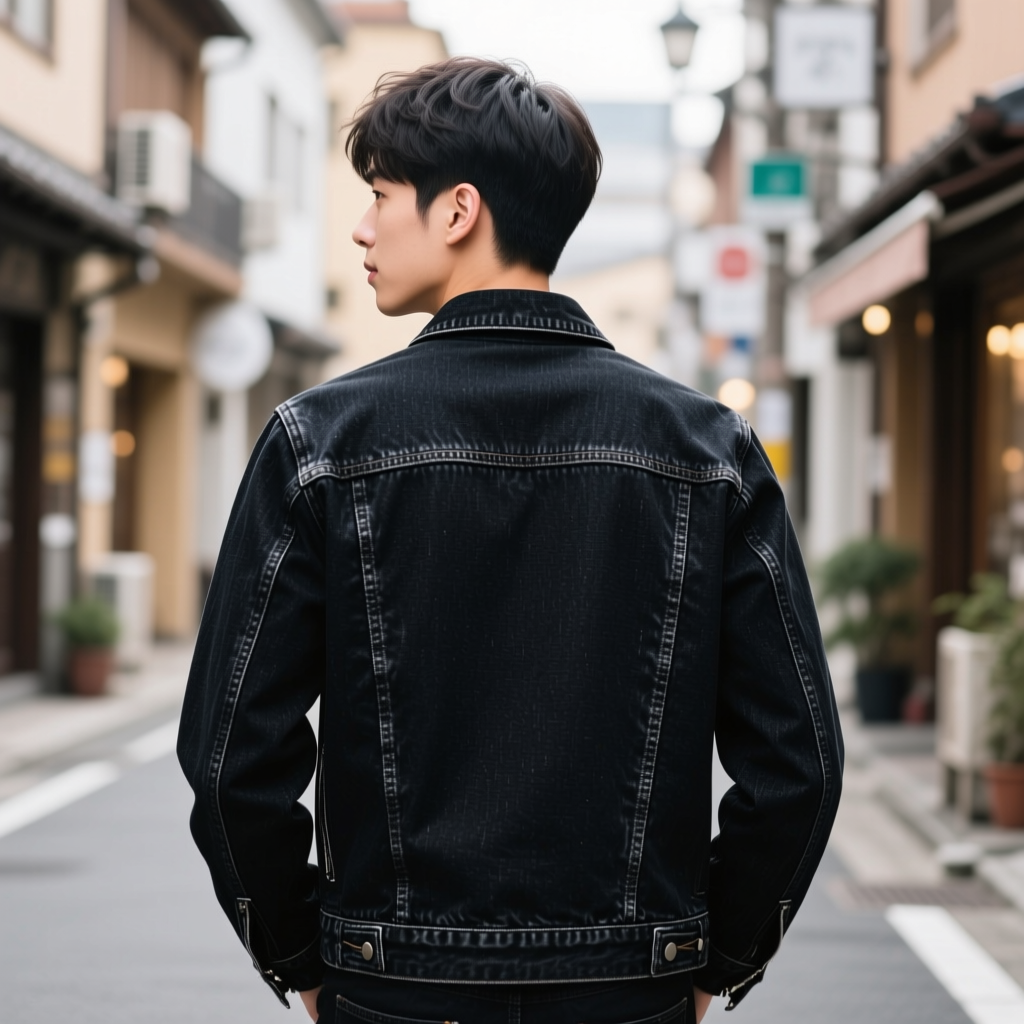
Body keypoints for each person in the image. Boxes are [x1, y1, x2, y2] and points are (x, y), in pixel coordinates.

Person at [178, 57, 843, 1024]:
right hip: (630, 987)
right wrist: (712, 959)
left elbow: (231, 754)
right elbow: (800, 763)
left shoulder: (319, 443)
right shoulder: (709, 450)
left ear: (457, 211)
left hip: (393, 985)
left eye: (379, 195)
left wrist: (306, 955)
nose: (362, 227)